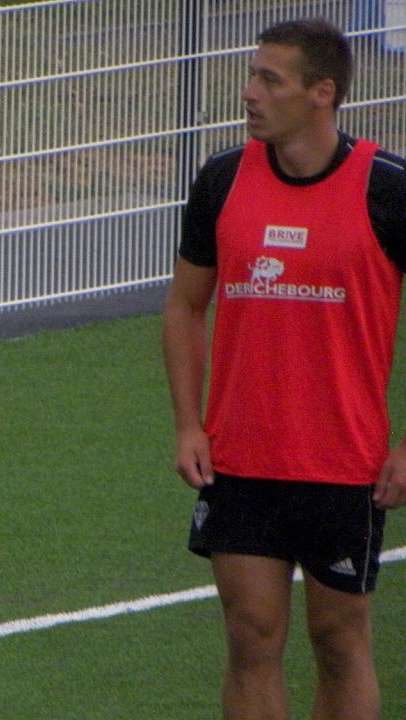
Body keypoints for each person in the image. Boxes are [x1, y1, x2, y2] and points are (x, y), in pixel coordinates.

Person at [162, 18, 406, 720]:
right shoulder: (222, 181)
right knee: (251, 637)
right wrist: (189, 424)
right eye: (252, 75)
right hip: (241, 460)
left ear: (323, 92)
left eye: (270, 79)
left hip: (344, 464)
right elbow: (185, 306)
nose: (250, 92)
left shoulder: (387, 190)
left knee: (339, 641)